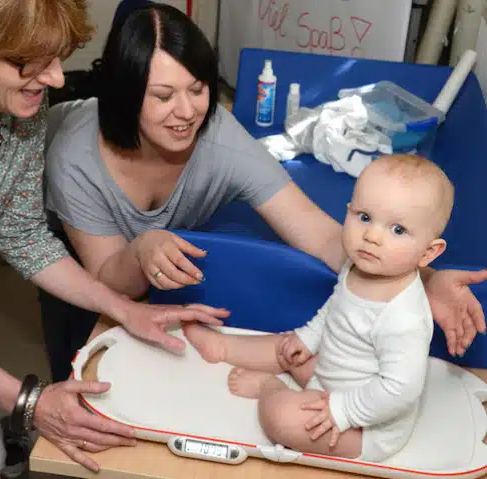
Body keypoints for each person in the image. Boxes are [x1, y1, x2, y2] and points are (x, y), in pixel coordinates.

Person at [0, 0, 231, 477]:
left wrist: (125, 309)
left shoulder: (20, 107)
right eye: (29, 63)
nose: (58, 79)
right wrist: (31, 402)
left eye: (57, 56)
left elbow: (24, 236)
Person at [41, 1, 487, 384]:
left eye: (197, 90)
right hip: (74, 250)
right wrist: (141, 250)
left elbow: (323, 237)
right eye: (162, 96)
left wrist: (423, 280)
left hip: (145, 251)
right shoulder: (75, 156)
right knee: (77, 354)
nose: (186, 112)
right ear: (125, 95)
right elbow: (106, 281)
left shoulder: (220, 137)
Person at [184, 154, 453, 461]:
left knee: (282, 420)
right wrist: (308, 338)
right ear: (348, 212)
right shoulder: (357, 266)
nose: (372, 236)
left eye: (398, 230)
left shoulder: (404, 317)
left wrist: (343, 411)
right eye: (365, 217)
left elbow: (399, 390)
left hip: (366, 426)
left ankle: (271, 387)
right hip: (330, 375)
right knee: (287, 345)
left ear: (429, 252)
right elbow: (335, 311)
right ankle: (222, 345)